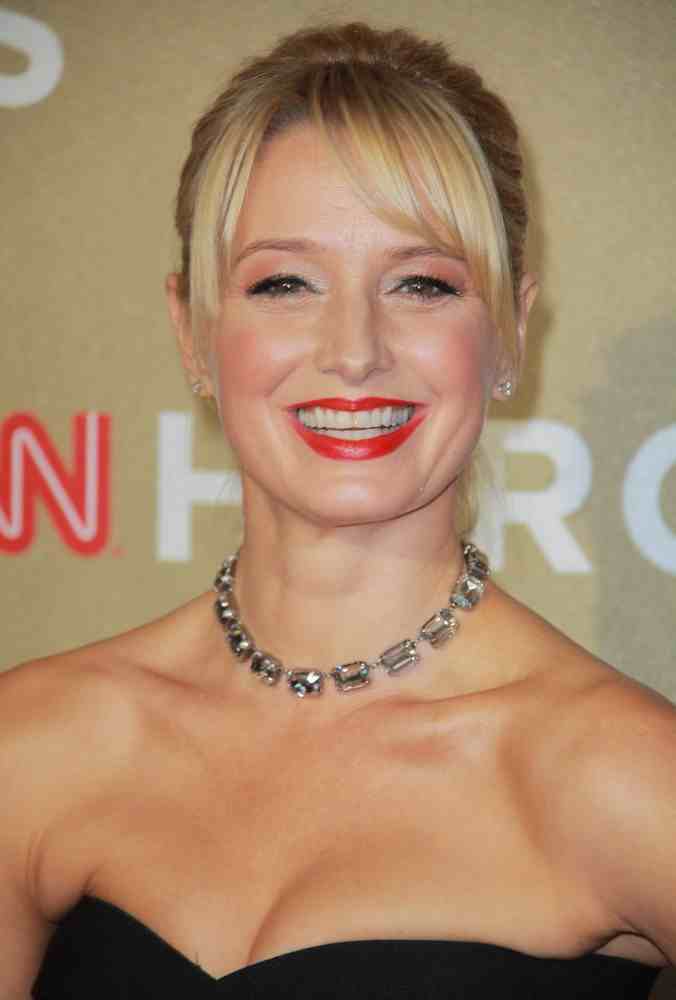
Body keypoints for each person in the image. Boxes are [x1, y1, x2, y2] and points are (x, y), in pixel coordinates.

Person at [1, 21, 674, 1000]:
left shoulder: (625, 774)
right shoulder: (35, 741)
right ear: (192, 331)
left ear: (508, 332)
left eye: (421, 283)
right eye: (284, 282)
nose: (354, 350)